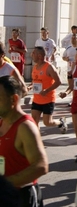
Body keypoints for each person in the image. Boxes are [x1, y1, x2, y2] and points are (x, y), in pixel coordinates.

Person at [0, 76, 48, 206]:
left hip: (22, 197)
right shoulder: (2, 122)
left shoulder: (25, 127)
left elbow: (41, 166)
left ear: (14, 99)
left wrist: (5, 183)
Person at [29, 46, 66, 131]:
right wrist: (30, 86)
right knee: (34, 122)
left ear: (39, 56)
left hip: (48, 100)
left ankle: (61, 122)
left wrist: (47, 90)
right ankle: (36, 141)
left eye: (33, 53)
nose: (31, 55)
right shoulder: (35, 67)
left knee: (47, 122)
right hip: (36, 99)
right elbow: (35, 80)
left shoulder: (49, 67)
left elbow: (58, 82)